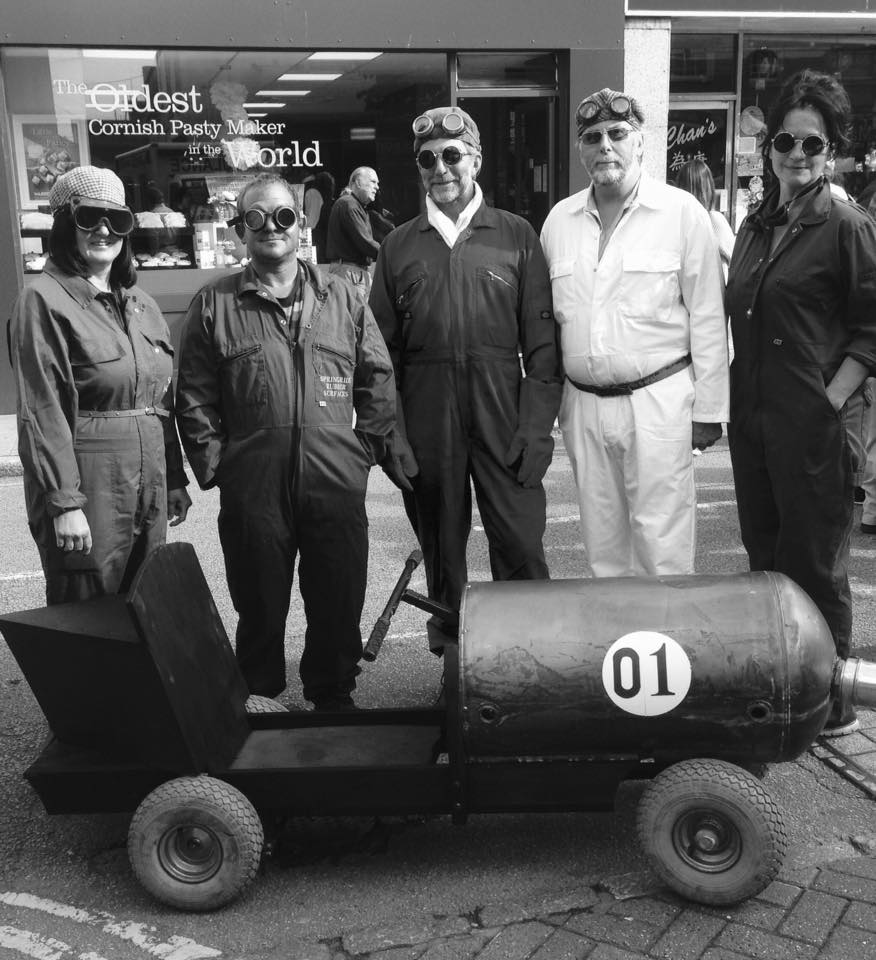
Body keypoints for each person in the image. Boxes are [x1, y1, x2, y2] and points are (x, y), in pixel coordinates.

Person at [175, 173, 396, 710]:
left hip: (333, 480)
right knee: (259, 599)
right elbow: (193, 394)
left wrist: (361, 454)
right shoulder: (214, 303)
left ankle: (331, 690)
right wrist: (219, 465)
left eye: (283, 216)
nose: (270, 227)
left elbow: (378, 379)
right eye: (255, 218)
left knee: (338, 595)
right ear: (238, 232)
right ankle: (260, 694)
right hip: (254, 484)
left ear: (302, 224)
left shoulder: (342, 297)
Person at [369, 106, 562, 653]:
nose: (440, 168)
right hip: (429, 418)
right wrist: (393, 434)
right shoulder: (398, 246)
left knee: (521, 545)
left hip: (501, 410)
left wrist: (536, 428)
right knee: (442, 553)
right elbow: (379, 355)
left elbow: (542, 345)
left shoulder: (516, 236)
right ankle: (455, 676)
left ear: (475, 159)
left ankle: (531, 668)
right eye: (427, 159)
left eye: (452, 155)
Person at [725, 69, 876, 736]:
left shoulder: (847, 226)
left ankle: (832, 700)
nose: (796, 153)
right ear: (770, 147)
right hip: (755, 423)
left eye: (813, 144)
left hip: (815, 425)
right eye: (786, 139)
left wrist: (831, 398)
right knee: (766, 560)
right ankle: (786, 688)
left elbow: (872, 330)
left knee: (814, 568)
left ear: (833, 150)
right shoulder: (756, 226)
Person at [540, 88, 728, 578]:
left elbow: (708, 315)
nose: (605, 146)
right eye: (592, 137)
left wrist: (709, 411)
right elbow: (547, 322)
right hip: (582, 405)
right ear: (580, 149)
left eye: (617, 134)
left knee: (661, 546)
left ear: (640, 143)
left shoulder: (681, 213)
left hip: (659, 405)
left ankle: (665, 649)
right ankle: (618, 648)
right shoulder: (558, 221)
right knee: (603, 549)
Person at [8, 165, 191, 604]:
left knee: (147, 606)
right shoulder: (43, 300)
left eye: (117, 220)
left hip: (149, 481)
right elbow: (41, 411)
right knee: (88, 617)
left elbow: (158, 404)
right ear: (65, 225)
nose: (105, 230)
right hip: (91, 484)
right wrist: (65, 503)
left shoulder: (141, 305)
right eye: (90, 218)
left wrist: (173, 479)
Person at [325, 166, 381, 299]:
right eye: (373, 182)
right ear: (358, 182)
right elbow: (366, 243)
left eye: (377, 183)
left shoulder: (353, 205)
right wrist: (391, 253)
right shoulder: (349, 204)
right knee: (355, 318)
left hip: (353, 273)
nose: (377, 187)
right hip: (350, 274)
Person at [674, 158, 736, 269]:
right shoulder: (713, 220)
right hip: (713, 285)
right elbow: (736, 261)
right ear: (707, 188)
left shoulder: (675, 222)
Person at [303, 170, 335, 263]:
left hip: (316, 238)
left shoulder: (312, 193)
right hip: (317, 238)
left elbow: (312, 222)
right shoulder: (314, 193)